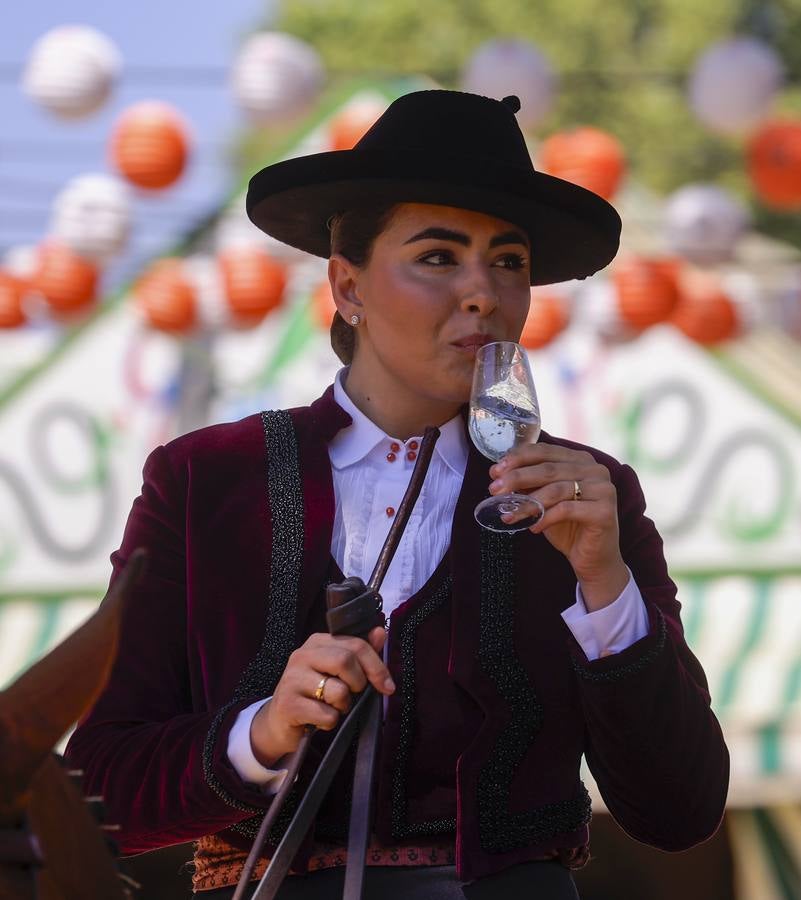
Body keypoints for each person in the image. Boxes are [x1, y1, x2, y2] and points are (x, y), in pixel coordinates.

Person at [66, 90, 729, 899]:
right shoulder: (206, 479)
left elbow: (679, 809)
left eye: (508, 262)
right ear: (347, 287)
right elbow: (99, 792)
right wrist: (260, 734)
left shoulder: (591, 496)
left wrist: (606, 587)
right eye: (439, 257)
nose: (482, 293)